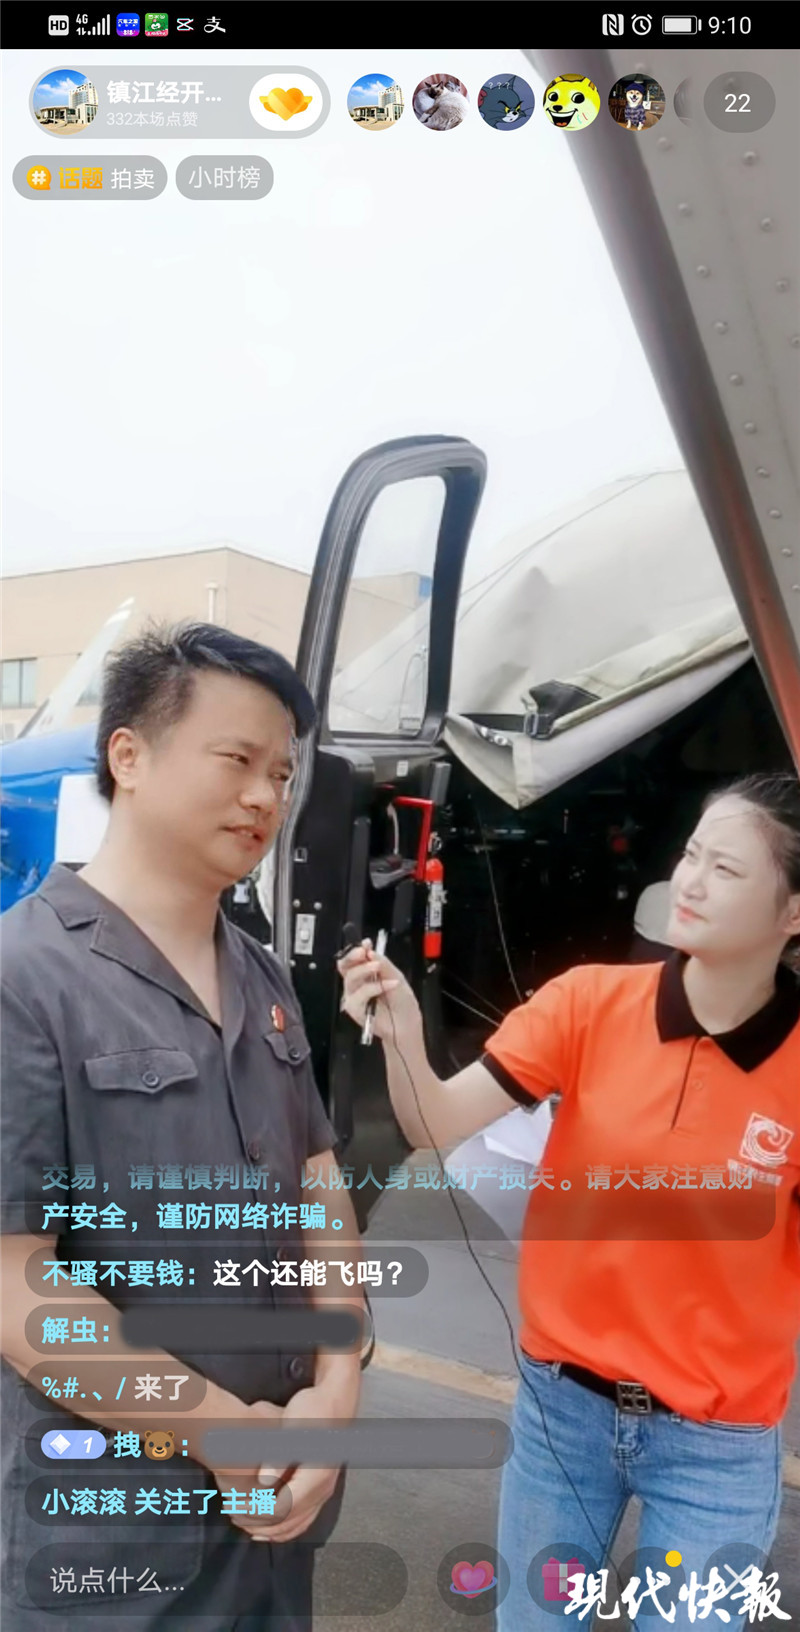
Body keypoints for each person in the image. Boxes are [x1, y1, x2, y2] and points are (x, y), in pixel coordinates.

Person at [338, 772, 800, 1628]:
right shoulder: (590, 1003)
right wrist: (401, 1029)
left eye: (727, 869)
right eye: (692, 855)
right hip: (563, 1416)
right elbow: (435, 1125)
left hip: (717, 1446)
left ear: (794, 913)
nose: (691, 881)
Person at [1, 622, 364, 1632]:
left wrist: (337, 1386)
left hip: (280, 1512)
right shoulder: (25, 979)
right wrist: (216, 1429)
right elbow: (16, 1284)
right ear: (129, 755)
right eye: (237, 760)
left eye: (281, 773)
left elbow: (317, 1180)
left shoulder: (261, 973)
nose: (265, 798)